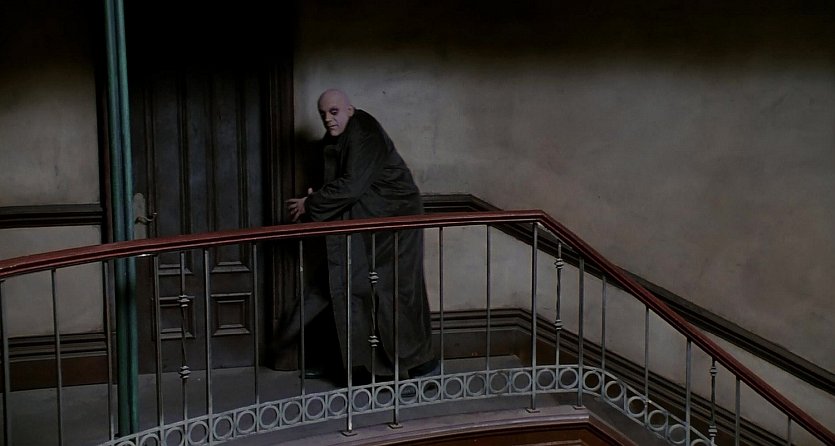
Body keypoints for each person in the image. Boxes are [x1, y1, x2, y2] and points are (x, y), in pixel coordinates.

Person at [285, 89, 436, 381]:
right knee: (353, 289)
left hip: (396, 223)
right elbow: (347, 183)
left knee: (396, 293)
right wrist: (319, 197)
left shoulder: (364, 132)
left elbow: (352, 185)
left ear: (350, 110)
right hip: (371, 222)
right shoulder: (338, 138)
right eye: (323, 114)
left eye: (334, 112)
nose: (328, 119)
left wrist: (310, 204)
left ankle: (422, 368)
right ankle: (365, 368)